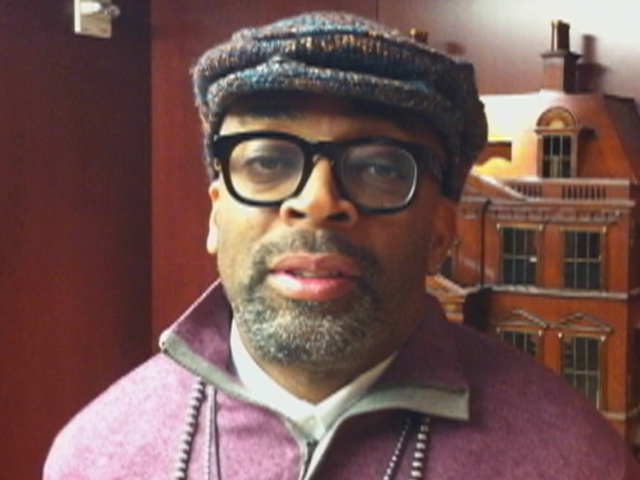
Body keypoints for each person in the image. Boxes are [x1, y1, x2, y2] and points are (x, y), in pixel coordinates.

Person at [44, 11, 640, 480]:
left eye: (379, 167)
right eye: (268, 161)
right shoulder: (93, 457)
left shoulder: (575, 461)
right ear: (215, 213)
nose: (318, 201)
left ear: (441, 231)